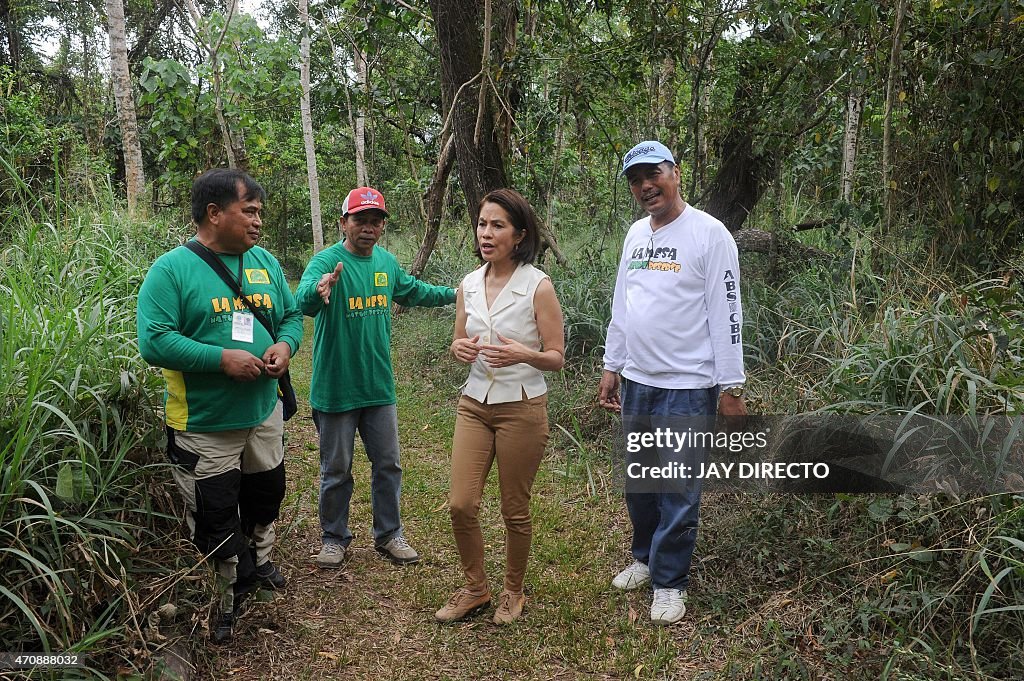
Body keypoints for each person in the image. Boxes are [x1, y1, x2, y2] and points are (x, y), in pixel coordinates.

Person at [137, 168, 303, 643]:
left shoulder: (264, 262)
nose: (257, 222)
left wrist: (285, 347)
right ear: (214, 213)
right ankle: (223, 599)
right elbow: (155, 341)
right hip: (205, 426)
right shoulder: (171, 271)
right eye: (249, 211)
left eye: (259, 212)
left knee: (267, 492)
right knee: (214, 514)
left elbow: (290, 314)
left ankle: (261, 560)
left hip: (263, 414)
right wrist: (220, 360)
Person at [598, 140, 748, 625]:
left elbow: (727, 314)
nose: (645, 186)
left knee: (678, 487)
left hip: (688, 385)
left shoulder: (710, 234)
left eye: (653, 174)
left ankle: (670, 582)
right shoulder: (635, 235)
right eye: (635, 179)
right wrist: (612, 363)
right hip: (639, 381)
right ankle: (644, 557)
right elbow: (623, 304)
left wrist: (731, 387)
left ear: (675, 173)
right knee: (640, 482)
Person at [296, 186, 456, 569]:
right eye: (360, 220)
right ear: (343, 223)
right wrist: (319, 291)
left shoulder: (385, 262)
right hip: (335, 387)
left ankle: (389, 534)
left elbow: (412, 291)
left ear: (382, 226)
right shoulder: (326, 262)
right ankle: (334, 538)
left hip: (378, 387)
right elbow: (303, 299)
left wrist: (457, 293)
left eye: (375, 221)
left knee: (388, 464)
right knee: (337, 470)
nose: (368, 227)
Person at [434, 189, 565, 625]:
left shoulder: (537, 285)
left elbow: (556, 356)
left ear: (519, 234)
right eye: (482, 224)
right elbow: (458, 339)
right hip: (475, 402)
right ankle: (475, 588)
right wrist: (459, 349)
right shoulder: (469, 284)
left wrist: (523, 354)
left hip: (522, 407)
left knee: (515, 507)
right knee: (461, 503)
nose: (486, 233)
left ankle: (512, 590)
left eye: (498, 226)